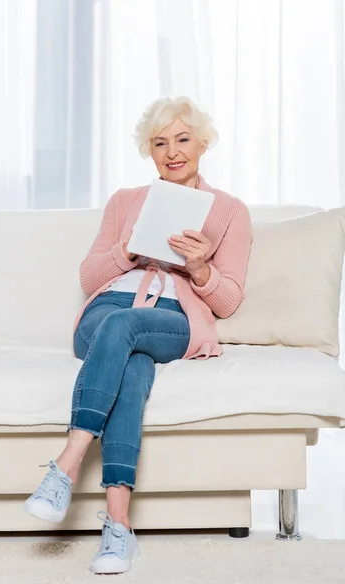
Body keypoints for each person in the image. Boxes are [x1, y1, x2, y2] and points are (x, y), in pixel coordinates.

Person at [24, 96, 253, 574]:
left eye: (183, 139)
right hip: (107, 309)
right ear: (149, 151)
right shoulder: (126, 201)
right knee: (128, 357)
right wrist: (128, 251)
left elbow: (228, 300)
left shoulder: (230, 211)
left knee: (125, 328)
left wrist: (199, 266)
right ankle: (120, 528)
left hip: (172, 315)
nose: (173, 152)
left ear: (202, 143)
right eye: (160, 142)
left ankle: (67, 462)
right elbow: (90, 278)